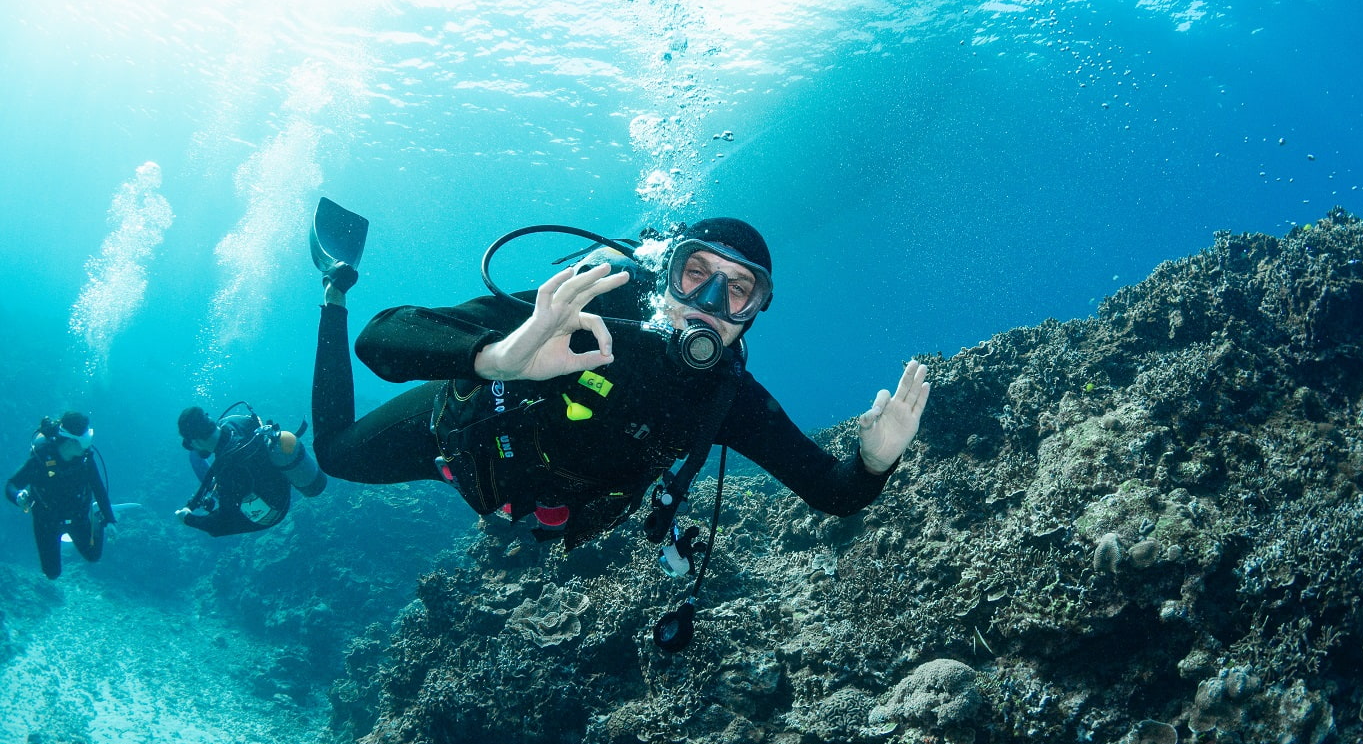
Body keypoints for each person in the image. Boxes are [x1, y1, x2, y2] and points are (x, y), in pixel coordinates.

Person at [310, 208, 929, 553]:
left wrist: (874, 461)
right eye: (696, 274)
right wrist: (496, 355)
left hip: (557, 518)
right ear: (666, 275)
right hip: (453, 440)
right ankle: (333, 288)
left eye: (739, 290)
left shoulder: (726, 398)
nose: (711, 301)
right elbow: (385, 336)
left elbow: (832, 492)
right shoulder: (587, 313)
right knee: (333, 455)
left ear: (754, 313)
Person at [175, 403, 326, 537]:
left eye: (190, 443)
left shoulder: (227, 473)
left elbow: (221, 525)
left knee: (215, 522)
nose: (192, 447)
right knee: (197, 458)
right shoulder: (234, 421)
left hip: (273, 512)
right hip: (278, 480)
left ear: (196, 441)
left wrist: (189, 520)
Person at [5, 411, 116, 579]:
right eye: (85, 441)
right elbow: (11, 485)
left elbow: (98, 489)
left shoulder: (85, 460)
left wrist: (109, 519)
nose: (88, 446)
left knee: (93, 556)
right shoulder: (41, 458)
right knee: (52, 573)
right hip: (46, 520)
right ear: (71, 441)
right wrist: (18, 496)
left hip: (77, 515)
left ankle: (96, 515)